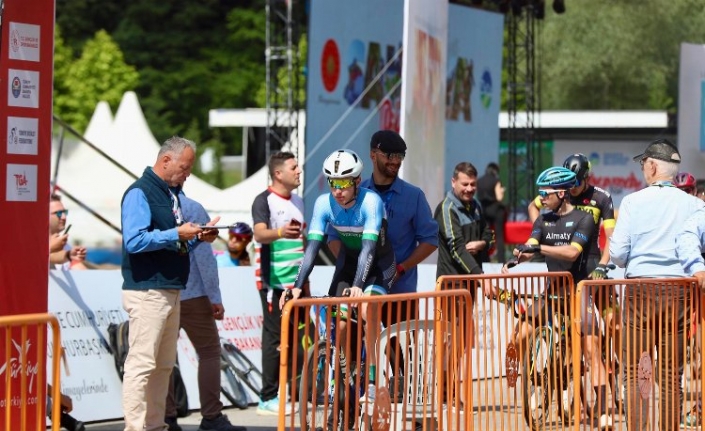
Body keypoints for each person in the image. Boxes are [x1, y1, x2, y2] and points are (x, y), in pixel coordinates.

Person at [120, 136, 218, 431]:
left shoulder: (169, 193)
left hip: (169, 288)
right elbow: (134, 241)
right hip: (148, 289)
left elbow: (172, 241)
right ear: (166, 161)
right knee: (142, 365)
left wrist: (198, 237)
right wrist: (177, 234)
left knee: (162, 366)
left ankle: (154, 425)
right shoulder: (139, 192)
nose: (187, 174)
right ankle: (136, 427)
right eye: (185, 168)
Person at [285, 149, 396, 404]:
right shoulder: (324, 203)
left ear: (357, 181)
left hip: (380, 264)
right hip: (349, 263)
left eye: (344, 183)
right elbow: (311, 249)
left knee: (367, 311)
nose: (338, 190)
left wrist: (358, 287)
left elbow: (369, 250)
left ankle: (371, 378)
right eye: (333, 182)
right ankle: (341, 375)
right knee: (342, 323)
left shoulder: (371, 202)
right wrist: (297, 286)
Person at [501, 166, 608, 426]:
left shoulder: (584, 218)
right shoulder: (543, 219)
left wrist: (540, 248)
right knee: (521, 334)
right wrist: (516, 260)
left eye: (545, 193)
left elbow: (572, 253)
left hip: (579, 289)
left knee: (592, 349)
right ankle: (535, 375)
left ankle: (603, 410)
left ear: (562, 193)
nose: (541, 198)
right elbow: (531, 247)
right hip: (553, 290)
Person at [610, 138, 705, 431]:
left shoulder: (632, 202)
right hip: (678, 291)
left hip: (640, 290)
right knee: (670, 373)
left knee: (635, 370)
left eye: (643, 164)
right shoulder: (693, 204)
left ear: (652, 166)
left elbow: (618, 254)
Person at [530, 153, 616, 419]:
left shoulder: (601, 198)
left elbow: (611, 236)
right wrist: (538, 228)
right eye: (570, 184)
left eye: (577, 183)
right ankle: (566, 391)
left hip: (592, 268)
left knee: (615, 327)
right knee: (567, 339)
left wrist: (603, 263)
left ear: (586, 178)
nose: (573, 188)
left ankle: (617, 374)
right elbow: (536, 207)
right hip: (563, 274)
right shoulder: (558, 193)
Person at [328, 130, 438, 326]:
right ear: (373, 154)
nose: (395, 161)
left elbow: (430, 241)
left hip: (400, 293)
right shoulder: (353, 192)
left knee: (402, 356)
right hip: (359, 291)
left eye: (400, 156)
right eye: (389, 155)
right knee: (354, 352)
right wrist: (353, 267)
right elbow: (333, 237)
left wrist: (402, 268)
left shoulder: (414, 196)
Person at [164, 192, 245, 431]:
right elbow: (204, 259)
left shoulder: (150, 203)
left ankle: (166, 418)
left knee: (163, 358)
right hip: (192, 292)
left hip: (160, 292)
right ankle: (211, 416)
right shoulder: (191, 207)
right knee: (209, 353)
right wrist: (215, 296)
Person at [251, 151, 305, 416]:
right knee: (274, 339)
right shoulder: (264, 201)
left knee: (301, 338)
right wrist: (282, 231)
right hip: (274, 284)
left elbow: (304, 243)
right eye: (294, 167)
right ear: (278, 173)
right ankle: (267, 396)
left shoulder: (300, 201)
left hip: (298, 285)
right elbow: (259, 234)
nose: (299, 171)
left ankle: (292, 392)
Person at [49, 194, 88, 269]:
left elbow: (78, 268)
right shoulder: (30, 243)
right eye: (58, 213)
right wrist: (51, 247)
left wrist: (69, 255)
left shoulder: (66, 246)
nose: (64, 217)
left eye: (64, 212)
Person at [477, 162, 506, 261]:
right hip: (496, 210)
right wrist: (502, 191)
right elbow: (499, 197)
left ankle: (485, 258)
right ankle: (501, 259)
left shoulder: (479, 181)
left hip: (484, 210)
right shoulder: (496, 180)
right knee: (499, 235)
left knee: (485, 235)